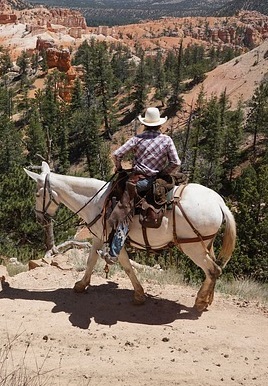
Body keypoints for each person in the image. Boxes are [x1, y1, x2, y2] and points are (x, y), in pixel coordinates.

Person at [97, 107, 181, 264]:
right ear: (159, 125)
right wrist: (163, 172)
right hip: (157, 181)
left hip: (138, 182)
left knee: (124, 212)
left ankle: (113, 253)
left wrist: (119, 167)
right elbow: (176, 162)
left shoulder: (138, 139)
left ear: (145, 124)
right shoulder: (166, 140)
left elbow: (116, 154)